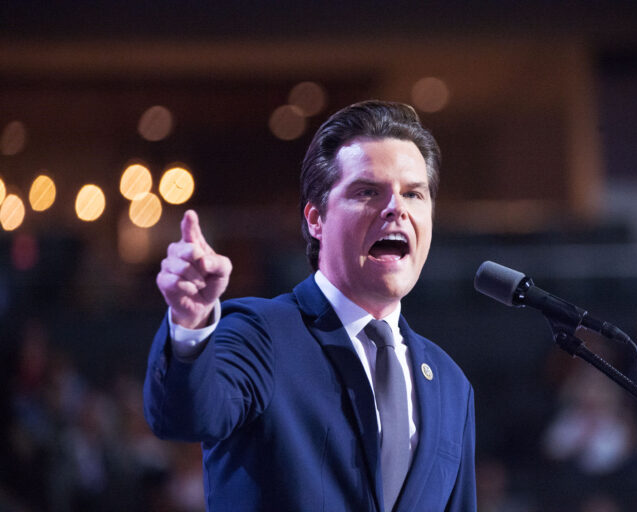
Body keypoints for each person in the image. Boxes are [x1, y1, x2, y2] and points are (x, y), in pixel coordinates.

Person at [143, 100, 476, 511]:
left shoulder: (449, 383)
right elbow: (185, 416)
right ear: (316, 219)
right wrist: (190, 323)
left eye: (413, 193)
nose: (396, 209)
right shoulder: (260, 335)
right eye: (368, 191)